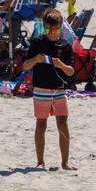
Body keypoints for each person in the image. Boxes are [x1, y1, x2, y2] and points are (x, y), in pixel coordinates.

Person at [21, 9, 76, 170]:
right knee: (41, 124)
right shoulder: (37, 43)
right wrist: (35, 59)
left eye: (55, 29)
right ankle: (40, 161)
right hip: (41, 89)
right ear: (44, 27)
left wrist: (62, 65)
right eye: (48, 29)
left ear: (60, 27)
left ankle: (65, 163)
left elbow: (72, 72)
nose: (51, 33)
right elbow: (25, 66)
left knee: (63, 124)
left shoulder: (65, 46)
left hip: (59, 90)